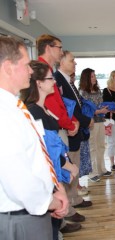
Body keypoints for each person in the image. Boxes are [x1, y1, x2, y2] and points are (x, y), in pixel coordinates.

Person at [0, 36, 68, 240]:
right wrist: (49, 202)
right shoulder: (4, 113)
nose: (31, 70)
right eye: (26, 64)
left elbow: (35, 159)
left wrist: (55, 189)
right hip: (21, 218)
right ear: (7, 67)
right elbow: (16, 176)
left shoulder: (15, 107)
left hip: (32, 210)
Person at [20, 60, 79, 240]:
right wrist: (67, 165)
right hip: (46, 177)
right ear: (38, 83)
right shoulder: (34, 112)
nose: (54, 81)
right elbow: (44, 149)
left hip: (52, 178)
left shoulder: (42, 108)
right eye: (50, 78)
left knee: (54, 228)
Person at [36, 34, 83, 233]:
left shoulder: (48, 70)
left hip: (59, 126)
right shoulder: (42, 70)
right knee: (58, 173)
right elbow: (52, 106)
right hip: (53, 128)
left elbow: (59, 104)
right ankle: (59, 219)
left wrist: (70, 121)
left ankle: (61, 217)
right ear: (48, 48)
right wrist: (68, 122)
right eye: (59, 48)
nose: (61, 52)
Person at [55, 50, 94, 222]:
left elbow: (76, 105)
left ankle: (75, 199)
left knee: (75, 167)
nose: (75, 63)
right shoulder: (57, 79)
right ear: (62, 62)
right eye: (72, 60)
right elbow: (67, 109)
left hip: (75, 131)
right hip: (69, 131)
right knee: (69, 171)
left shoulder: (67, 80)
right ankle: (68, 208)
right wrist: (86, 121)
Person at [79, 68, 111, 178]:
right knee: (92, 147)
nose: (95, 78)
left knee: (101, 145)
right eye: (92, 76)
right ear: (86, 78)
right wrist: (99, 111)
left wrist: (105, 109)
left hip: (100, 121)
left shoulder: (98, 90)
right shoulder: (83, 92)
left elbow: (100, 104)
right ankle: (92, 173)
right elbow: (86, 109)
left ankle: (102, 169)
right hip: (90, 122)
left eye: (95, 76)